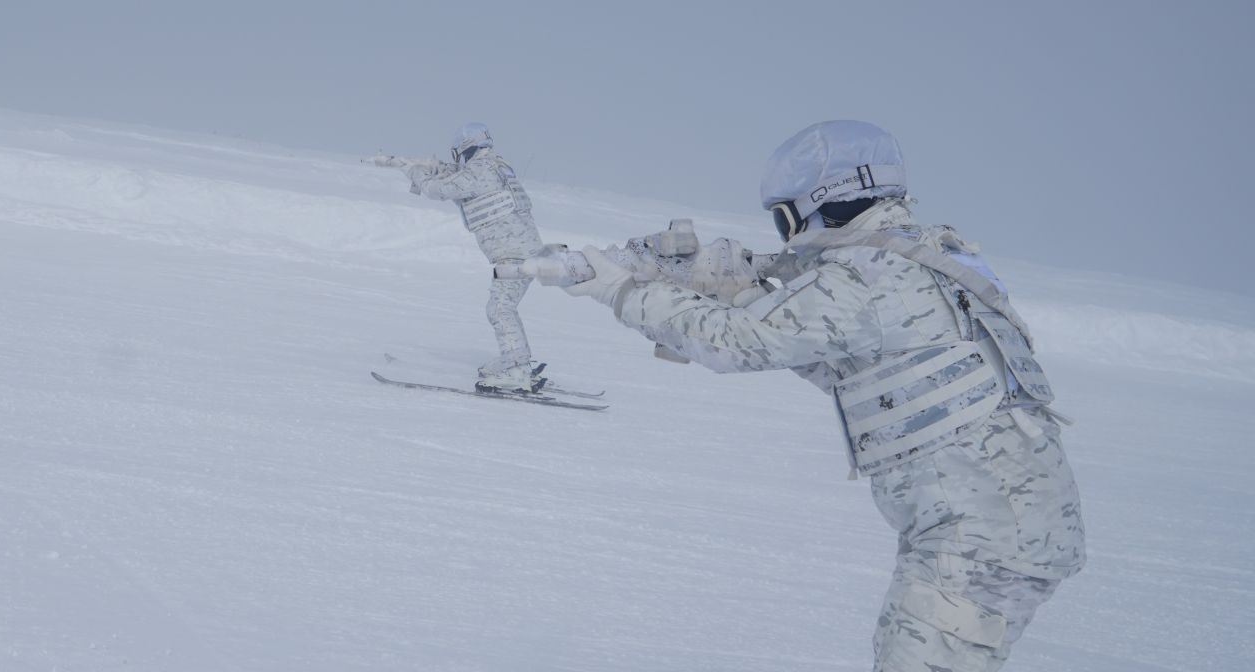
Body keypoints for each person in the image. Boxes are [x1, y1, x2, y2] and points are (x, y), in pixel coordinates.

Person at [524, 120, 1085, 671]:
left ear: (816, 205)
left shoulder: (868, 275)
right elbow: (852, 366)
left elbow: (734, 345)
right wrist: (745, 294)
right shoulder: (927, 255)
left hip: (982, 532)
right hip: (991, 521)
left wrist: (620, 289)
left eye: (784, 217)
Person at [374, 123, 546, 393]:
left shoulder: (481, 170)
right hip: (523, 252)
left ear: (465, 149)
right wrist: (422, 164)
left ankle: (518, 371)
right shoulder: (496, 165)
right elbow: (455, 175)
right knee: (503, 307)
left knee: (499, 309)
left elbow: (438, 190)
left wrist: (414, 172)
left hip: (516, 255)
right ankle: (515, 360)